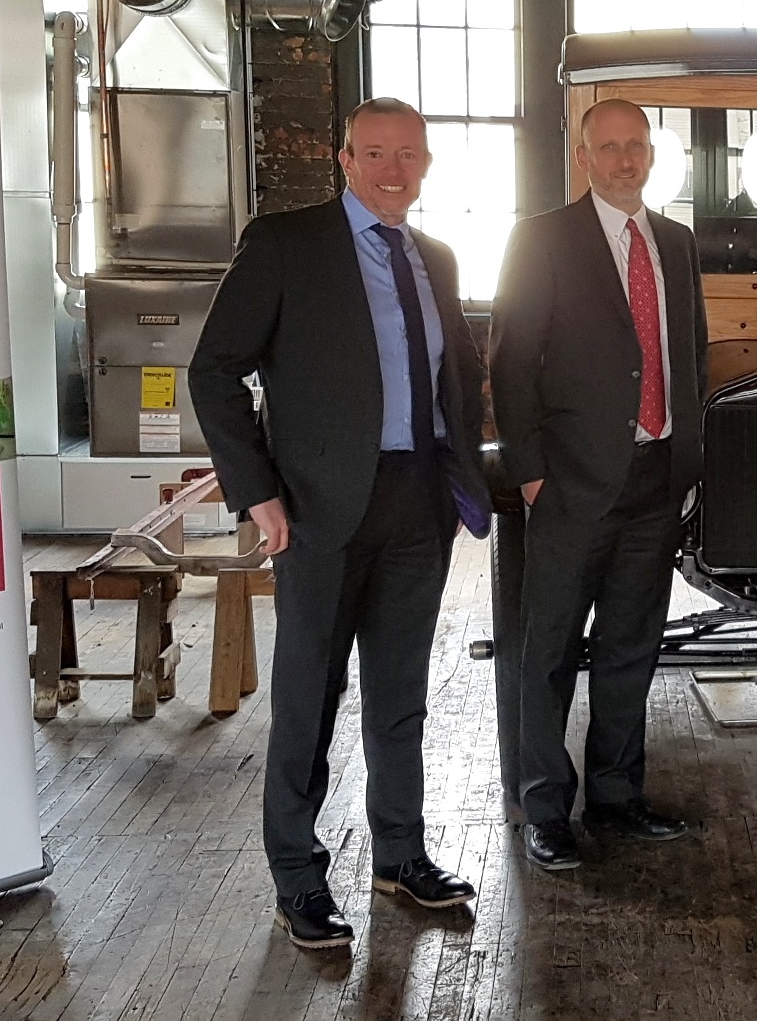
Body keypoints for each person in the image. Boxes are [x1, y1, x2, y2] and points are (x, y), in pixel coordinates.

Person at [189, 97, 490, 949]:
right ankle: (298, 879)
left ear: (426, 164)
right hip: (319, 512)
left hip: (417, 504)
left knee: (400, 699)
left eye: (411, 156)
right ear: (345, 158)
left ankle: (399, 856)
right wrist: (258, 492)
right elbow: (214, 371)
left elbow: (455, 375)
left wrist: (472, 475)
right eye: (377, 154)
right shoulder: (286, 244)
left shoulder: (436, 257)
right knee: (309, 700)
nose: (395, 171)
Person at [491, 98, 710, 871]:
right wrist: (530, 473)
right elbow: (511, 360)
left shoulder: (676, 245)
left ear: (653, 154)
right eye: (609, 148)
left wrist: (690, 463)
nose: (625, 160)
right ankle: (544, 808)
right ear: (583, 158)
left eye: (637, 146)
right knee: (547, 651)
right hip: (570, 485)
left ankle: (617, 798)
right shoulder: (543, 239)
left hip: (656, 480)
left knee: (630, 649)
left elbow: (691, 357)